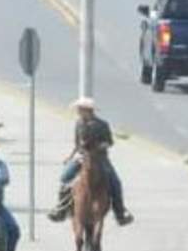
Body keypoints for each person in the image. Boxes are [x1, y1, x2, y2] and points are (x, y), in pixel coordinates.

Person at [47, 95, 133, 226]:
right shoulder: (78, 124)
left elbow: (109, 142)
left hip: (100, 158)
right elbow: (77, 144)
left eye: (80, 109)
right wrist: (70, 157)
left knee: (115, 182)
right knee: (65, 177)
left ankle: (120, 212)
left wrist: (101, 146)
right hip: (82, 157)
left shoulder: (102, 125)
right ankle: (61, 208)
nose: (78, 112)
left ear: (88, 110)